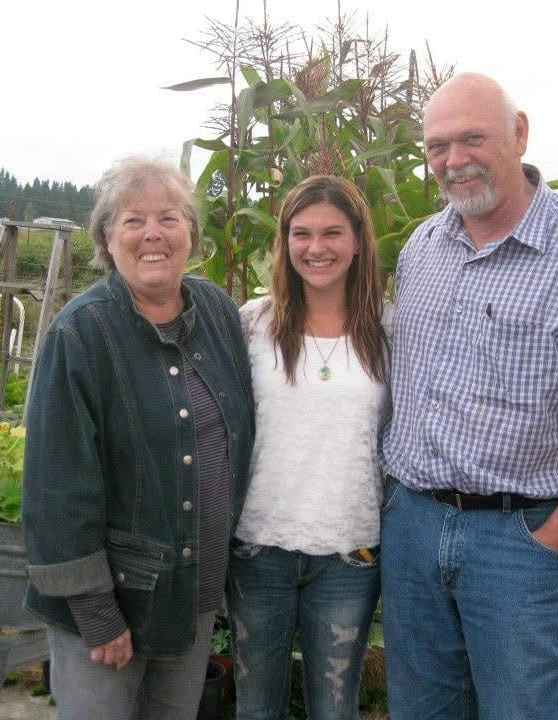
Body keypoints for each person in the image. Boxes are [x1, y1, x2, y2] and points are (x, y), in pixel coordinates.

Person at [379, 73, 558, 720]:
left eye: (471, 138)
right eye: (436, 147)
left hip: (520, 541)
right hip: (413, 531)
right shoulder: (424, 248)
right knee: (420, 710)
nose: (453, 161)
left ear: (518, 134)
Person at [21, 157, 255, 720]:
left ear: (192, 234)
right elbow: (57, 489)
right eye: (133, 220)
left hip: (192, 598)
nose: (153, 234)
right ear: (107, 237)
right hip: (111, 609)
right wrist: (96, 610)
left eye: (169, 218)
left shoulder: (220, 314)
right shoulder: (80, 334)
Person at [229, 175, 391, 720]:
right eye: (301, 233)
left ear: (358, 241)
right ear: (284, 241)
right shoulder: (253, 324)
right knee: (255, 707)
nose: (316, 248)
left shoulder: (389, 330)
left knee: (335, 707)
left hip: (349, 552)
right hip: (257, 548)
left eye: (332, 233)